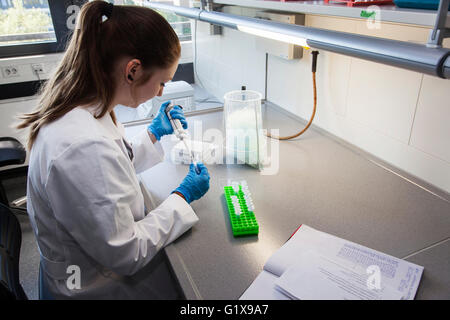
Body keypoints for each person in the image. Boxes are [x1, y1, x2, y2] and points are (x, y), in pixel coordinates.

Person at [17, 1, 210, 299]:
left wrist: (153, 135)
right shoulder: (81, 145)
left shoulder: (87, 106)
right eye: (161, 82)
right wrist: (182, 196)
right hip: (95, 284)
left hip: (87, 261)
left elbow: (107, 171)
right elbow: (127, 252)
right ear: (132, 70)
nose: (161, 92)